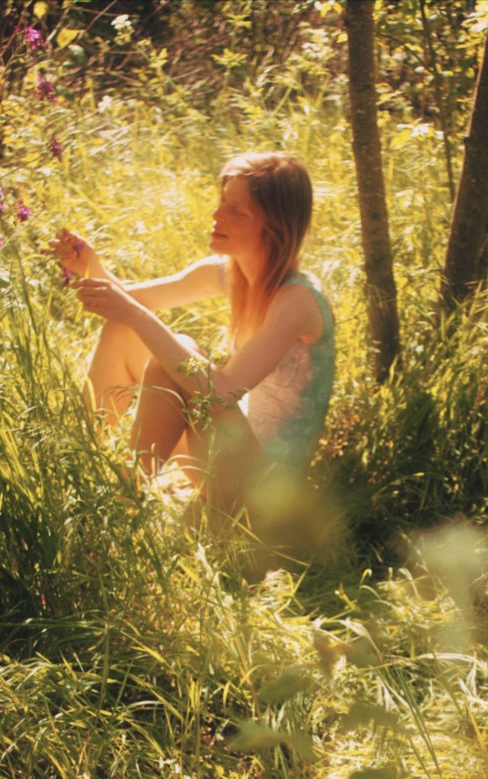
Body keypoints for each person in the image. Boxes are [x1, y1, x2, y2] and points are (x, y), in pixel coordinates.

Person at [48, 151, 335, 512]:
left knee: (175, 350)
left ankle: (118, 503)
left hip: (267, 494)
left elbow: (223, 392)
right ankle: (73, 464)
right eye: (222, 203)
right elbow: (129, 303)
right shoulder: (229, 272)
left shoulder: (298, 300)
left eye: (237, 211)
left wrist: (138, 317)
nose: (217, 215)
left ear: (275, 230)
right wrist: (91, 266)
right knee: (123, 330)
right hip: (225, 453)